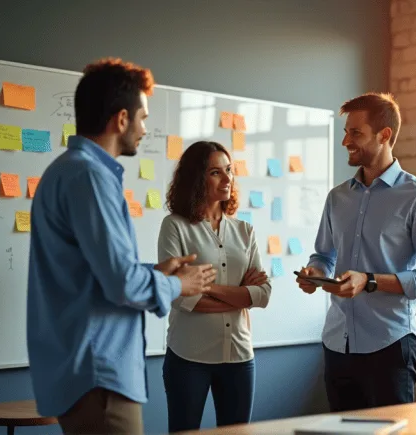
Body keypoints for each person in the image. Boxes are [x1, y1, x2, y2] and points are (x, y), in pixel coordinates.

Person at [27, 58, 216, 435]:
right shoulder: (90, 177)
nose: (145, 129)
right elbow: (121, 285)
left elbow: (95, 273)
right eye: (143, 118)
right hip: (99, 374)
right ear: (122, 119)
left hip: (85, 369)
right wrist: (180, 284)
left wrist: (154, 273)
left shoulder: (67, 170)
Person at [295, 92, 416, 411]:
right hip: (337, 342)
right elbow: (323, 255)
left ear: (385, 135)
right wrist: (315, 274)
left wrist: (370, 280)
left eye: (356, 133)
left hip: (390, 344)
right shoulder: (337, 198)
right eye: (345, 132)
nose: (346, 142)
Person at [158, 141, 272, 432]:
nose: (227, 178)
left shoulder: (245, 231)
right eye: (215, 172)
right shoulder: (175, 226)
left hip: (239, 356)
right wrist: (239, 295)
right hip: (189, 357)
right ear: (197, 178)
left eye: (229, 170)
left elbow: (262, 294)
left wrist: (208, 288)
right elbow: (180, 297)